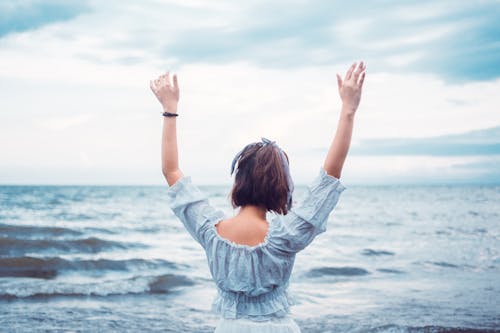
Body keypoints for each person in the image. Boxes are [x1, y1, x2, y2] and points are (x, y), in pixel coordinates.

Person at [150, 61, 366, 332]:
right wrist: (348, 110)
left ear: (239, 180)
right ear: (282, 187)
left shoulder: (210, 230)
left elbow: (171, 170)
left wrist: (170, 110)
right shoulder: (287, 235)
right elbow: (329, 178)